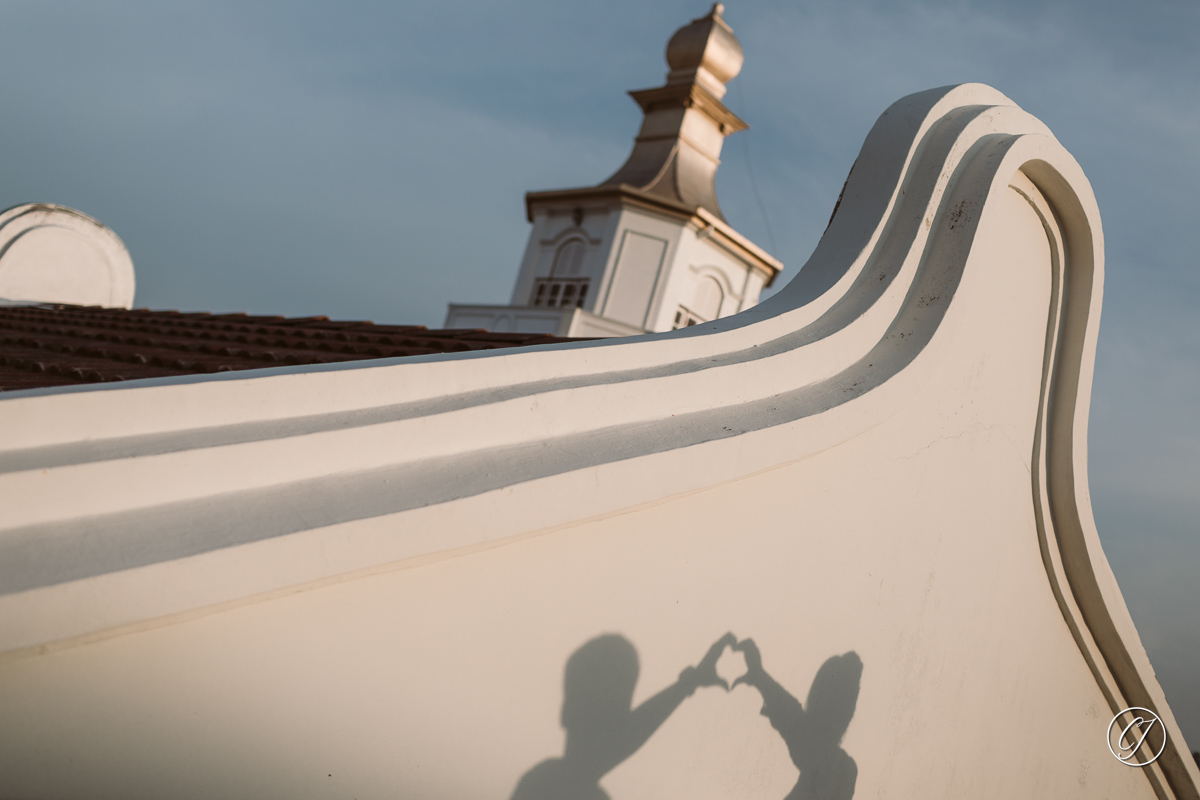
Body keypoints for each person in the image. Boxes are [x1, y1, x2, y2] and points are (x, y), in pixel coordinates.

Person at [510, 632, 736, 800]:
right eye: (609, 712)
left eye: (620, 712)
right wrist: (687, 685)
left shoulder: (545, 783)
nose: (619, 726)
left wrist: (687, 684)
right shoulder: (543, 786)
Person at [733, 639, 862, 800]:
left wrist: (759, 675)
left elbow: (799, 726)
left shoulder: (834, 764)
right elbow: (798, 723)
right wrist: (759, 675)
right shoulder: (843, 767)